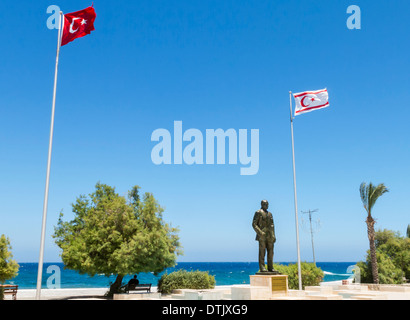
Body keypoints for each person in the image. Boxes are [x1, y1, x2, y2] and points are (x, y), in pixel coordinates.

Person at [252, 200, 276, 272]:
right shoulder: (258, 212)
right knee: (262, 252)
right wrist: (260, 232)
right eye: (265, 204)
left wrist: (273, 235)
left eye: (267, 204)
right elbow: (254, 224)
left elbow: (272, 225)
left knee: (271, 252)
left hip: (270, 235)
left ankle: (270, 267)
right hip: (262, 235)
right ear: (262, 204)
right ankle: (262, 267)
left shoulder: (270, 214)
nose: (267, 205)